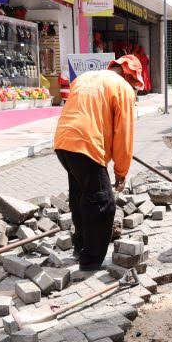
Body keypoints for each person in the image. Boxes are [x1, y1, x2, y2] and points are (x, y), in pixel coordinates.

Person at [53, 55, 144, 271]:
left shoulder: (85, 78)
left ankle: (80, 245)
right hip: (86, 145)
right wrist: (121, 172)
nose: (134, 88)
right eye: (135, 82)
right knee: (104, 204)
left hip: (63, 142)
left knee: (82, 196)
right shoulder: (123, 88)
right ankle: (91, 261)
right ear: (129, 74)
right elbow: (124, 133)